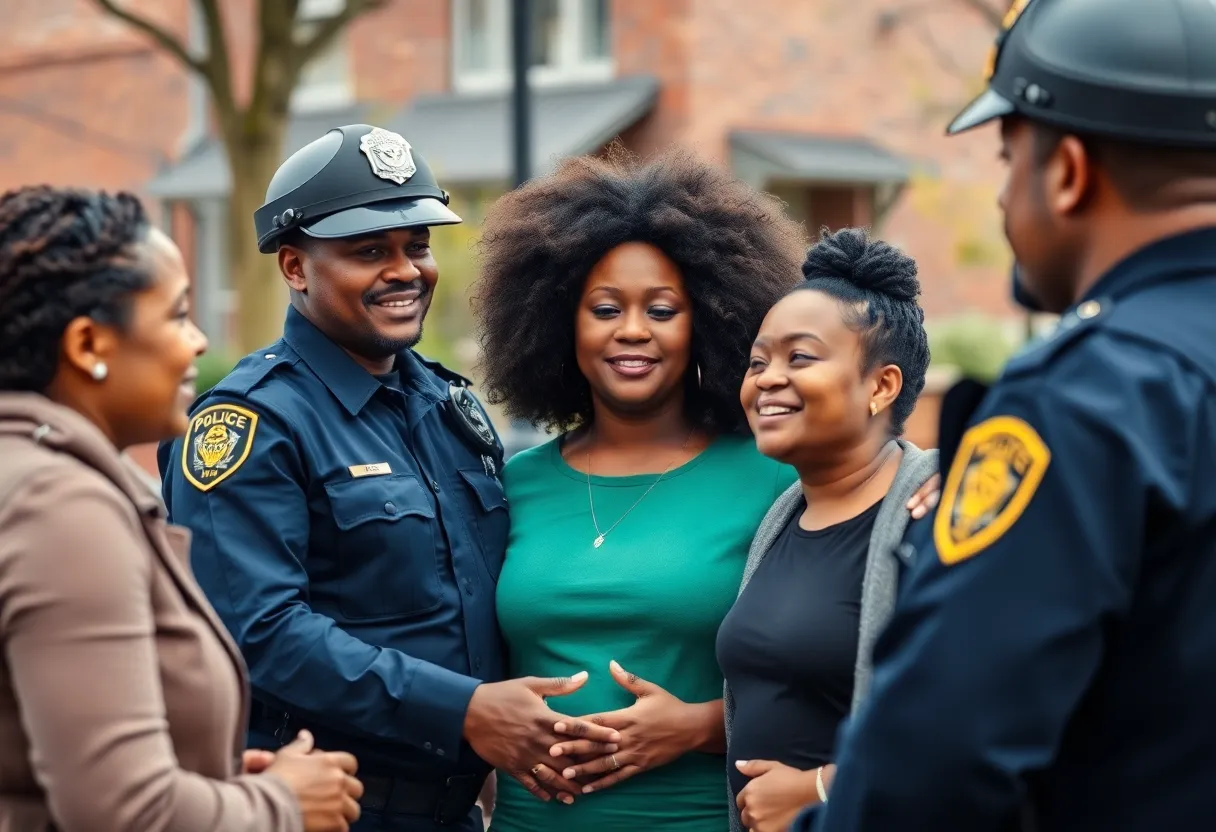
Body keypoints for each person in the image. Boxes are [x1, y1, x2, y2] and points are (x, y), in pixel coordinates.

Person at [794, 0, 1216, 830]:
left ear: (1066, 173)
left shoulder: (1089, 398)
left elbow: (932, 765)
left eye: (1007, 157)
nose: (999, 197)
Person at [158, 125, 618, 832]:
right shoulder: (250, 424)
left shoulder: (449, 406)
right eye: (369, 251)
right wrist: (462, 711)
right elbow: (257, 631)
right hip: (328, 811)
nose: (406, 270)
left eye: (418, 246)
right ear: (294, 267)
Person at [468, 148, 939, 832]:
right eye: (605, 308)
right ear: (558, 323)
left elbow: (817, 679)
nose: (633, 330)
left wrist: (693, 727)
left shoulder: (778, 479)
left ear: (709, 323)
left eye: (663, 309)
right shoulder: (515, 484)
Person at [0, 185, 362, 832]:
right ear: (88, 345)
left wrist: (216, 782)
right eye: (176, 315)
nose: (197, 342)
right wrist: (282, 804)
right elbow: (126, 812)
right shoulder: (61, 511)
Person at [719, 227, 938, 832]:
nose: (765, 378)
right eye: (758, 361)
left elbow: (984, 722)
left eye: (801, 357)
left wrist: (822, 788)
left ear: (881, 385)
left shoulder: (934, 511)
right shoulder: (783, 517)